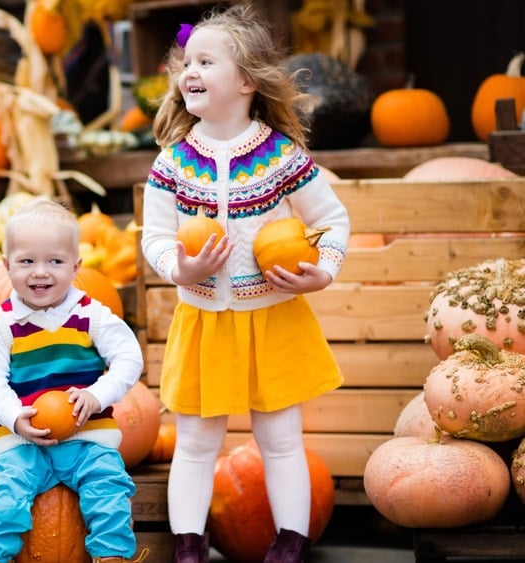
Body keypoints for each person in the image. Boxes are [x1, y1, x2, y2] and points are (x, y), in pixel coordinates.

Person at [140, 4, 350, 563]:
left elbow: (332, 220)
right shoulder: (173, 163)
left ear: (247, 81)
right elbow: (155, 237)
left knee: (281, 442)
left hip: (274, 317)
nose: (190, 71)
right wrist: (179, 270)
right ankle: (189, 545)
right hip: (204, 320)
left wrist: (322, 271)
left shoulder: (282, 157)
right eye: (187, 61)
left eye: (206, 61)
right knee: (196, 443)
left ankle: (289, 543)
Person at [0, 199, 148, 563]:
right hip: (25, 440)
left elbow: (129, 358)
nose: (40, 272)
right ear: (6, 267)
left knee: (108, 489)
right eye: (26, 261)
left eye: (55, 261)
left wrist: (97, 396)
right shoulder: (2, 324)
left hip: (87, 437)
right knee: (6, 496)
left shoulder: (92, 315)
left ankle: (111, 556)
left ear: (76, 266)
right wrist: (14, 416)